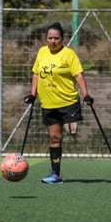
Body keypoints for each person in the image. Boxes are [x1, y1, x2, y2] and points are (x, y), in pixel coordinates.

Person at [24, 22, 93, 184]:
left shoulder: (69, 54)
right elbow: (36, 73)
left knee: (71, 132)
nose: (53, 41)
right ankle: (55, 174)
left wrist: (86, 95)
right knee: (54, 138)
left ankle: (72, 124)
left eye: (56, 38)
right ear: (46, 38)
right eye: (50, 38)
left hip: (68, 101)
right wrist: (32, 94)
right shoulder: (42, 52)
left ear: (62, 39)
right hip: (48, 104)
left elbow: (79, 75)